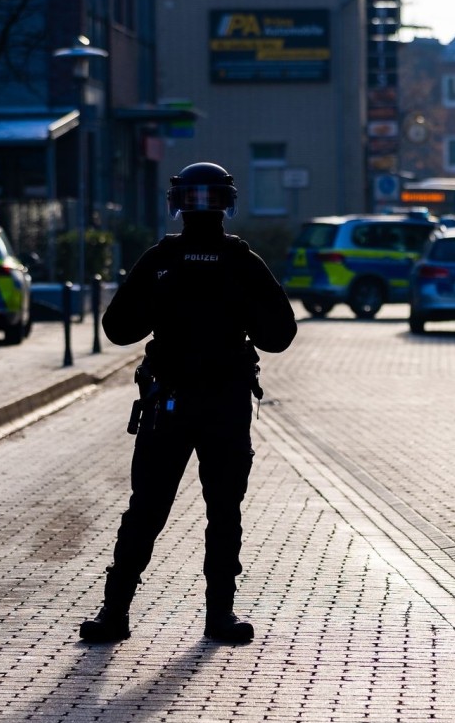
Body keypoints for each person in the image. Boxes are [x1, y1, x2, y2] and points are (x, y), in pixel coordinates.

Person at [79, 162, 298, 646]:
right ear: (228, 203)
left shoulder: (163, 258)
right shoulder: (242, 261)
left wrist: (163, 300)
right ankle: (220, 615)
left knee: (147, 510)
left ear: (176, 203)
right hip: (222, 403)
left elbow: (117, 328)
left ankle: (115, 612)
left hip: (170, 402)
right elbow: (280, 334)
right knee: (223, 511)